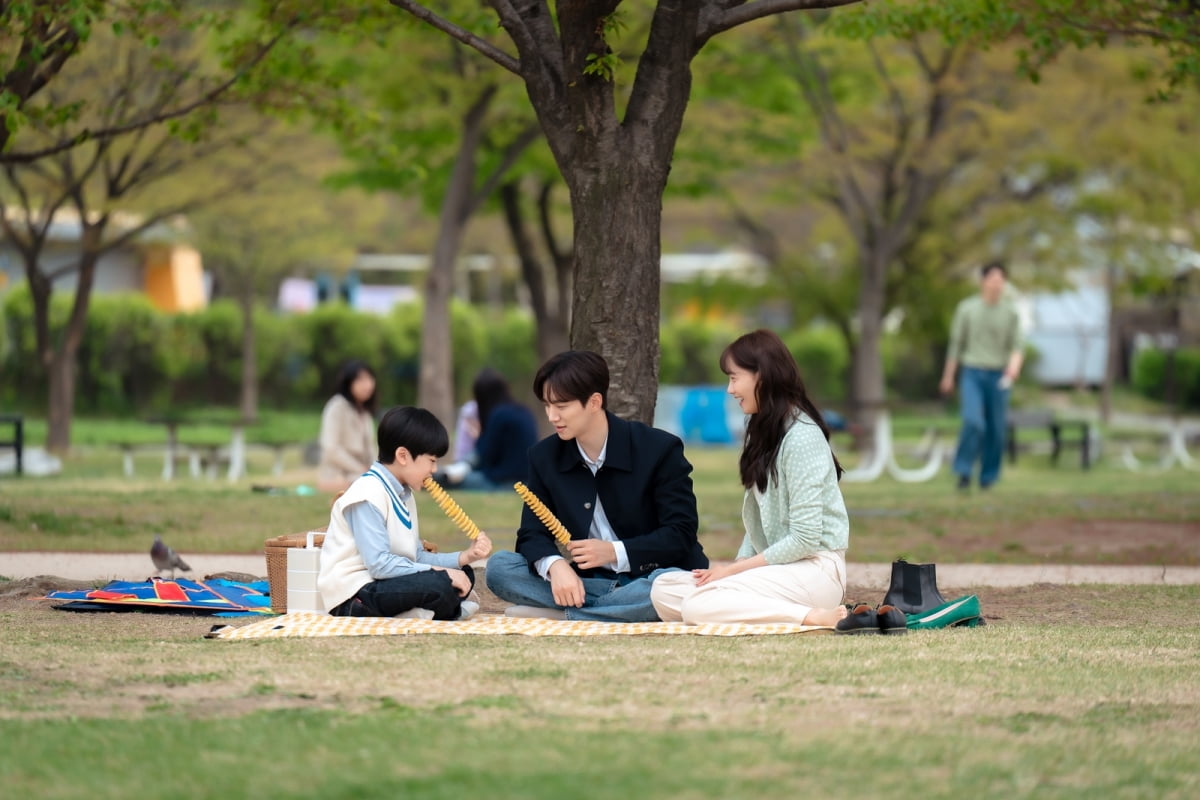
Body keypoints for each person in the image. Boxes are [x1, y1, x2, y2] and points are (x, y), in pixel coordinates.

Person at [485, 350, 708, 622]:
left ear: (594, 402)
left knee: (672, 587)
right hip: (588, 581)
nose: (552, 416)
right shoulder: (544, 457)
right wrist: (556, 567)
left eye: (562, 406)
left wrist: (614, 551)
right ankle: (605, 608)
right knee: (500, 567)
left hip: (654, 576)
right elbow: (531, 534)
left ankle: (566, 613)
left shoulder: (659, 449)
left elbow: (680, 533)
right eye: (547, 405)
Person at [651, 329, 850, 628]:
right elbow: (757, 525)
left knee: (698, 605)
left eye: (734, 377)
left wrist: (733, 573)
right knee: (664, 588)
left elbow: (805, 539)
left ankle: (811, 617)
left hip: (815, 571)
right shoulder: (764, 433)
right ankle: (741, 605)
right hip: (782, 571)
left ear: (763, 377)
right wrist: (733, 569)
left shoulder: (802, 438)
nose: (730, 389)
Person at [317, 405, 492, 619]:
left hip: (387, 584)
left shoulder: (403, 494)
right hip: (356, 594)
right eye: (432, 461)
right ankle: (442, 610)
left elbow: (415, 556)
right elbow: (379, 565)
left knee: (465, 573)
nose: (434, 470)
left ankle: (423, 610)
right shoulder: (367, 493)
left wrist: (465, 556)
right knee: (440, 584)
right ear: (403, 456)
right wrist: (441, 574)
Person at [939, 261, 1024, 491]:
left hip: (999, 375)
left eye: (1001, 280)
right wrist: (948, 377)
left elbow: (1017, 346)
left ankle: (988, 477)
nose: (998, 284)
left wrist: (1014, 367)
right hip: (972, 373)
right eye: (993, 279)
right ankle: (964, 471)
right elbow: (956, 346)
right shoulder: (967, 309)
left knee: (996, 428)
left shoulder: (1010, 312)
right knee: (973, 421)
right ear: (983, 281)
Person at [441, 368, 538, 491]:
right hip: (527, 480)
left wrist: (479, 437)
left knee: (446, 479)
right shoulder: (523, 411)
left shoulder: (498, 415)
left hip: (506, 482)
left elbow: (485, 456)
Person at [316, 360, 378, 493]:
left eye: (369, 379)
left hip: (362, 472)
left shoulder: (364, 412)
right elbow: (331, 449)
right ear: (349, 383)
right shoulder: (336, 407)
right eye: (361, 380)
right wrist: (361, 469)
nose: (367, 385)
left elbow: (371, 450)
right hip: (339, 474)